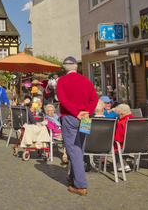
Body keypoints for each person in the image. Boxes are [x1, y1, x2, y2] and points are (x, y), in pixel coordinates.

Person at [57, 56, 98, 196]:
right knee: (79, 147)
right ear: (76, 67)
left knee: (73, 149)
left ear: (64, 69)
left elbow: (62, 100)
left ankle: (81, 185)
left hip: (70, 117)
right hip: (85, 117)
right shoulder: (86, 80)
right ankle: (74, 177)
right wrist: (87, 112)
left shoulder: (62, 80)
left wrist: (76, 113)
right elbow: (95, 99)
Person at [113, 104, 133, 172]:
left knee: (116, 144)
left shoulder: (120, 123)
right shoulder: (137, 120)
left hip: (125, 147)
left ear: (122, 114)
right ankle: (123, 163)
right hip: (139, 146)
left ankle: (122, 163)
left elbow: (118, 139)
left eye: (118, 115)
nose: (118, 117)